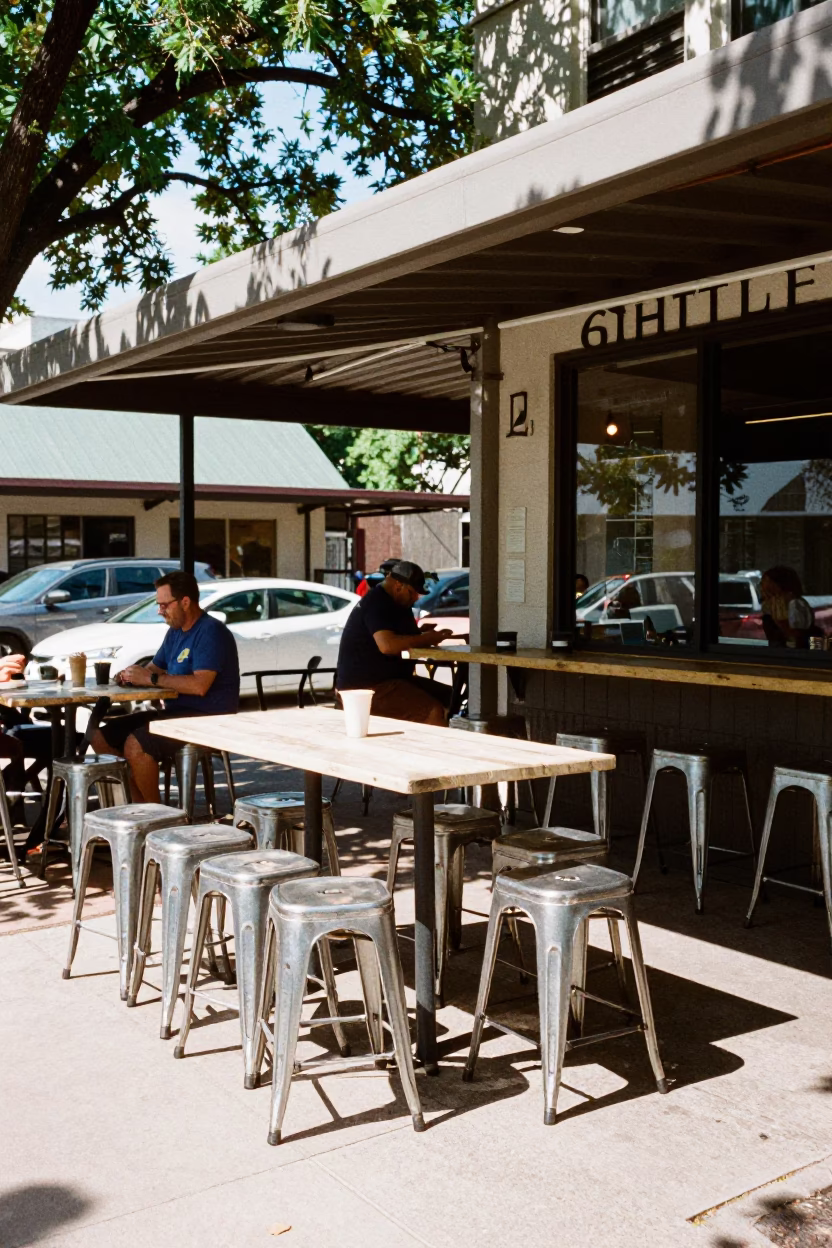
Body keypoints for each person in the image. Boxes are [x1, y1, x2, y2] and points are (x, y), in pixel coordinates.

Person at [90, 570, 240, 802]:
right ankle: (139, 807)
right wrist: (129, 675)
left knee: (136, 744)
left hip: (208, 718)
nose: (160, 611)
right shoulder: (175, 632)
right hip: (176, 714)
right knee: (100, 736)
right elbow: (154, 669)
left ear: (185, 602)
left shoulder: (211, 631)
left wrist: (149, 680)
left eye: (164, 605)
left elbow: (200, 685)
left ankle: (158, 819)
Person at [336, 560, 453, 725]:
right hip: (367, 686)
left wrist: (421, 633)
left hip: (392, 679)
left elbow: (403, 636)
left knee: (451, 697)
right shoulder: (378, 603)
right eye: (412, 593)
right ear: (399, 585)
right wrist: (427, 638)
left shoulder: (398, 603)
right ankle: (427, 749)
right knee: (432, 711)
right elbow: (387, 645)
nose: (414, 599)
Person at [760, 566, 815, 649]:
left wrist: (782, 624)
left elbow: (796, 639)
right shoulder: (772, 606)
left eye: (766, 581)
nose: (762, 585)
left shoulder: (794, 605)